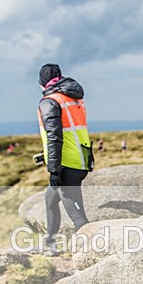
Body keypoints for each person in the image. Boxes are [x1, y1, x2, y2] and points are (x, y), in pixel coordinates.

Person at [37, 63, 94, 252]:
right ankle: (50, 244)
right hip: (81, 158)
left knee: (77, 215)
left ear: (42, 83)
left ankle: (93, 250)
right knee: (50, 199)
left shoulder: (50, 101)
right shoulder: (74, 98)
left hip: (66, 164)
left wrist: (54, 169)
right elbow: (75, 133)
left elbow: (54, 136)